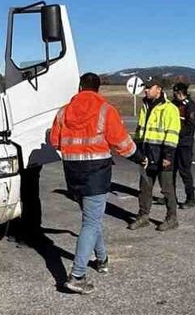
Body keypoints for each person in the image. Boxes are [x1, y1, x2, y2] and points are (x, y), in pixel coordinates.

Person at [49, 72, 144, 294]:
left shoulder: (64, 111)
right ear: (98, 88)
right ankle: (77, 275)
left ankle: (102, 259)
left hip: (73, 173)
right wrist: (140, 158)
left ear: (80, 87)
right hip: (97, 174)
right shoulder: (105, 110)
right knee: (91, 222)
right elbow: (122, 143)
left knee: (92, 218)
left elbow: (54, 140)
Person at [129, 79, 182, 231]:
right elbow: (140, 131)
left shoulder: (170, 109)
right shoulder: (145, 106)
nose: (145, 90)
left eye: (148, 88)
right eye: (145, 87)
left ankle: (172, 218)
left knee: (166, 189)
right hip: (146, 155)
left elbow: (172, 135)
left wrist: (168, 157)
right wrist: (137, 152)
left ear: (158, 89)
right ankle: (143, 216)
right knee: (144, 188)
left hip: (162, 155)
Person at [172, 82, 195, 209]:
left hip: (184, 144)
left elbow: (189, 127)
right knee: (170, 171)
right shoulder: (174, 104)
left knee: (184, 171)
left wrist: (175, 132)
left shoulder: (191, 107)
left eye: (177, 93)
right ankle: (170, 196)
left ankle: (190, 198)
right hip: (172, 142)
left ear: (181, 93)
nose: (175, 95)